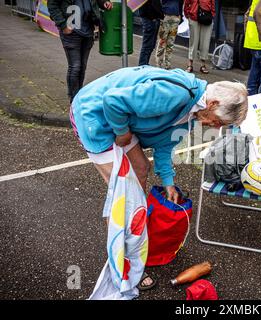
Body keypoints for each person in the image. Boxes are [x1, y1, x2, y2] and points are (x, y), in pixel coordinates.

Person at [70, 66, 248, 287]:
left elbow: (165, 146)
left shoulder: (193, 115)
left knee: (141, 169)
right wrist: (122, 132)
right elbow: (112, 100)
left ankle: (134, 236)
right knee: (123, 194)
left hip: (119, 119)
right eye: (218, 122)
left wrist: (168, 183)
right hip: (94, 115)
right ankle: (121, 261)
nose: (215, 127)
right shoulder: (176, 94)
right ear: (213, 104)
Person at [48, 0, 113, 103]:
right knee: (75, 66)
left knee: (82, 66)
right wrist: (63, 25)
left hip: (87, 30)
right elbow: (52, 5)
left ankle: (78, 94)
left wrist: (104, 2)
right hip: (71, 31)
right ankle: (74, 99)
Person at [184, 0, 216, 74]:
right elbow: (186, 3)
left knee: (205, 42)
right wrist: (188, 15)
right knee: (193, 42)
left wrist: (212, 14)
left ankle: (203, 65)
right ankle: (190, 64)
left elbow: (213, 3)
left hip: (207, 17)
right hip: (193, 17)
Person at [155, 0, 183, 69]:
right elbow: (157, 3)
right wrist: (161, 14)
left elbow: (180, 3)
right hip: (166, 17)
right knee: (162, 41)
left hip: (175, 18)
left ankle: (167, 64)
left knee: (171, 42)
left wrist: (180, 16)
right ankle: (159, 63)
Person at [138, 0, 164, 66]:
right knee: (148, 45)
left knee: (151, 45)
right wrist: (161, 15)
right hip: (149, 18)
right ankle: (143, 64)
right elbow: (153, 4)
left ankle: (144, 64)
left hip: (152, 18)